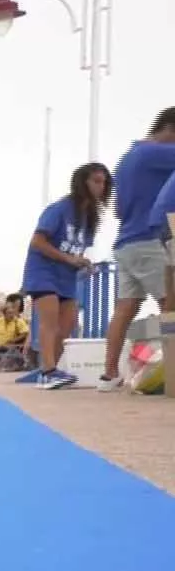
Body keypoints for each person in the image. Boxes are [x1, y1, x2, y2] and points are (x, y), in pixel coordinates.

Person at [98, 108, 175, 391]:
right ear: (169, 129)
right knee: (171, 301)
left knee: (125, 309)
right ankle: (170, 370)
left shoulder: (127, 159)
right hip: (150, 238)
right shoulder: (155, 153)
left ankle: (109, 376)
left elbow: (118, 210)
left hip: (126, 242)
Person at [20, 162, 107, 390]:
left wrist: (83, 262)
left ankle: (50, 369)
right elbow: (38, 241)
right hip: (43, 271)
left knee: (68, 324)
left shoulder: (89, 218)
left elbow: (75, 249)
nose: (101, 187)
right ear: (82, 182)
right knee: (49, 320)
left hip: (66, 275)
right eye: (96, 181)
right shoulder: (59, 209)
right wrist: (68, 259)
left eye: (104, 182)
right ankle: (48, 371)